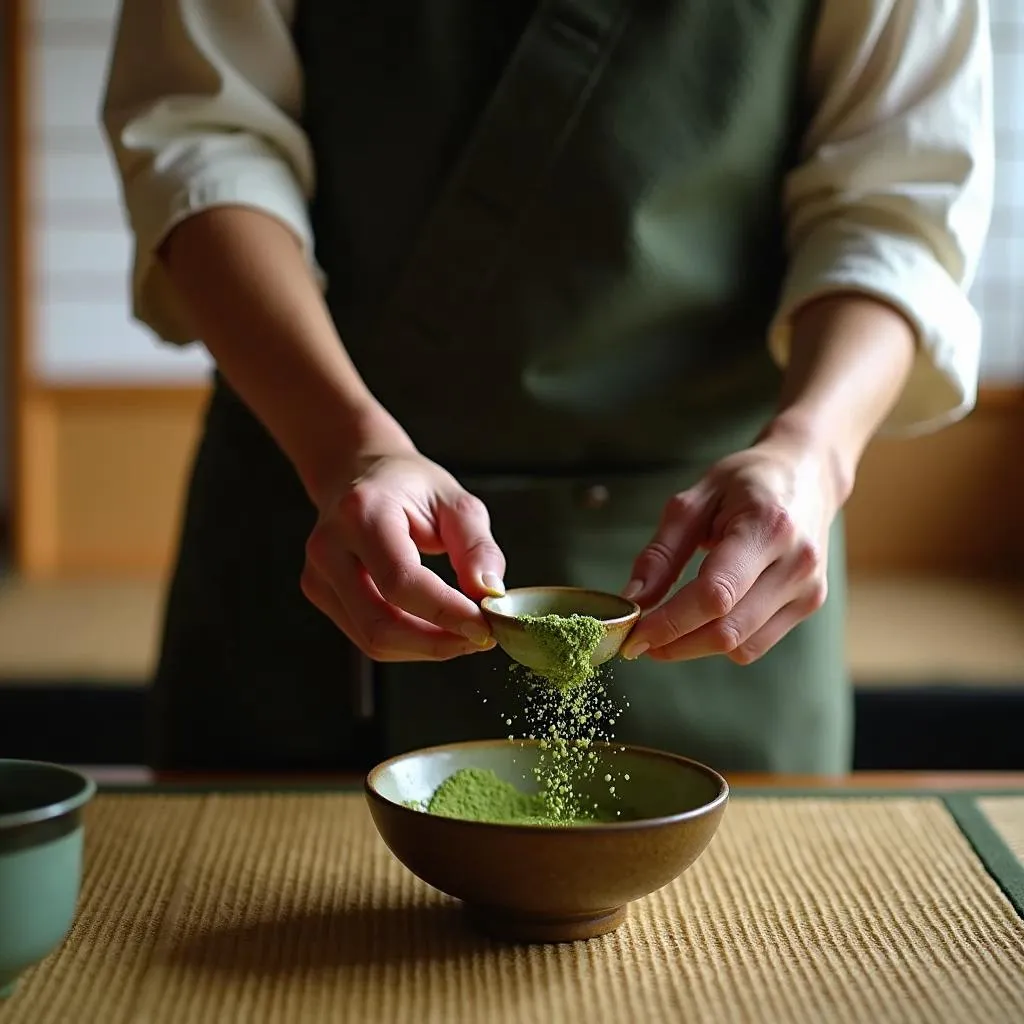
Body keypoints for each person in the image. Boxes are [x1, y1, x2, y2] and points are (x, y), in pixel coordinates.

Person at [101, 1, 993, 775]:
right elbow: (202, 134)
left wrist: (814, 452)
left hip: (712, 550)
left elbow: (898, 196)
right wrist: (348, 448)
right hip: (323, 510)